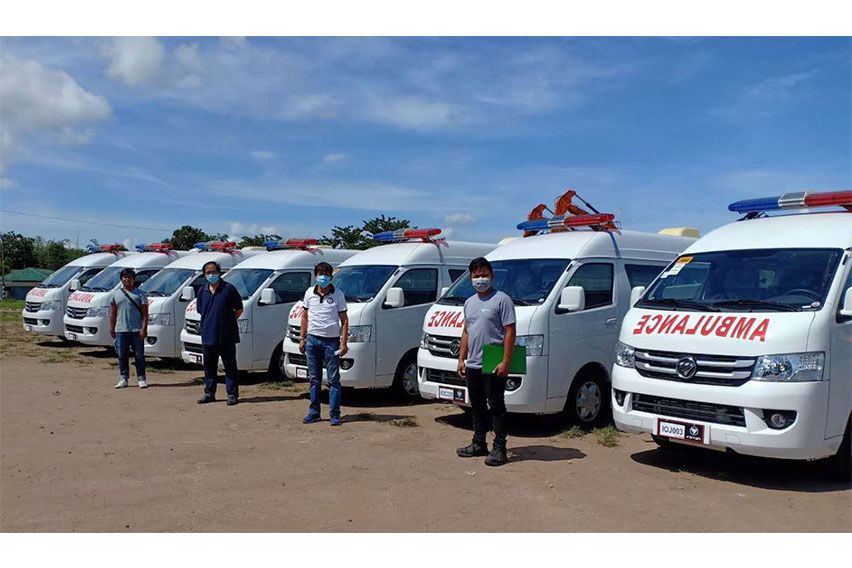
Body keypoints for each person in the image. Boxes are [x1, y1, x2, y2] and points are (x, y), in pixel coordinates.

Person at [456, 257, 516, 466]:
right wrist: (461, 358)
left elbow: (510, 331)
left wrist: (506, 361)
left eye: (484, 274)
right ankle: (478, 442)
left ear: (491, 276)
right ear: (470, 278)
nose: (480, 279)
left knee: (497, 405)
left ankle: (500, 447)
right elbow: (466, 331)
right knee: (477, 404)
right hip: (473, 362)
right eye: (476, 275)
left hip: (493, 359)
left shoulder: (502, 300)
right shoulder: (469, 302)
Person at [299, 262, 349, 426]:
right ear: (315, 275)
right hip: (313, 340)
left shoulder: (338, 294)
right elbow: (305, 316)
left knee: (334, 380)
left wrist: (343, 343)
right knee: (314, 379)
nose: (323, 277)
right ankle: (314, 412)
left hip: (331, 342)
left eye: (326, 274)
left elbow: (344, 319)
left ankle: (335, 414)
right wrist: (302, 338)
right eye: (320, 273)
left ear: (331, 277)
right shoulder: (309, 293)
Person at [196, 261, 243, 406]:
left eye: (214, 272)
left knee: (230, 366)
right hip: (208, 335)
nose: (211, 275)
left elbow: (239, 309)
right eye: (208, 272)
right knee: (209, 366)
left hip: (227, 335)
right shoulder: (202, 290)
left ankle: (232, 394)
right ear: (204, 275)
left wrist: (227, 321)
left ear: (219, 273)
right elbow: (200, 310)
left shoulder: (229, 289)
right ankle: (209, 393)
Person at [109, 268, 149, 389]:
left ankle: (141, 378)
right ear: (121, 279)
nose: (127, 279)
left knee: (139, 356)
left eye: (130, 277)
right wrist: (112, 328)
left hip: (136, 330)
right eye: (125, 277)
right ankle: (123, 378)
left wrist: (144, 329)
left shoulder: (140, 294)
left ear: (133, 279)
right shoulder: (115, 294)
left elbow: (145, 314)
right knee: (122, 355)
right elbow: (113, 313)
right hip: (121, 330)